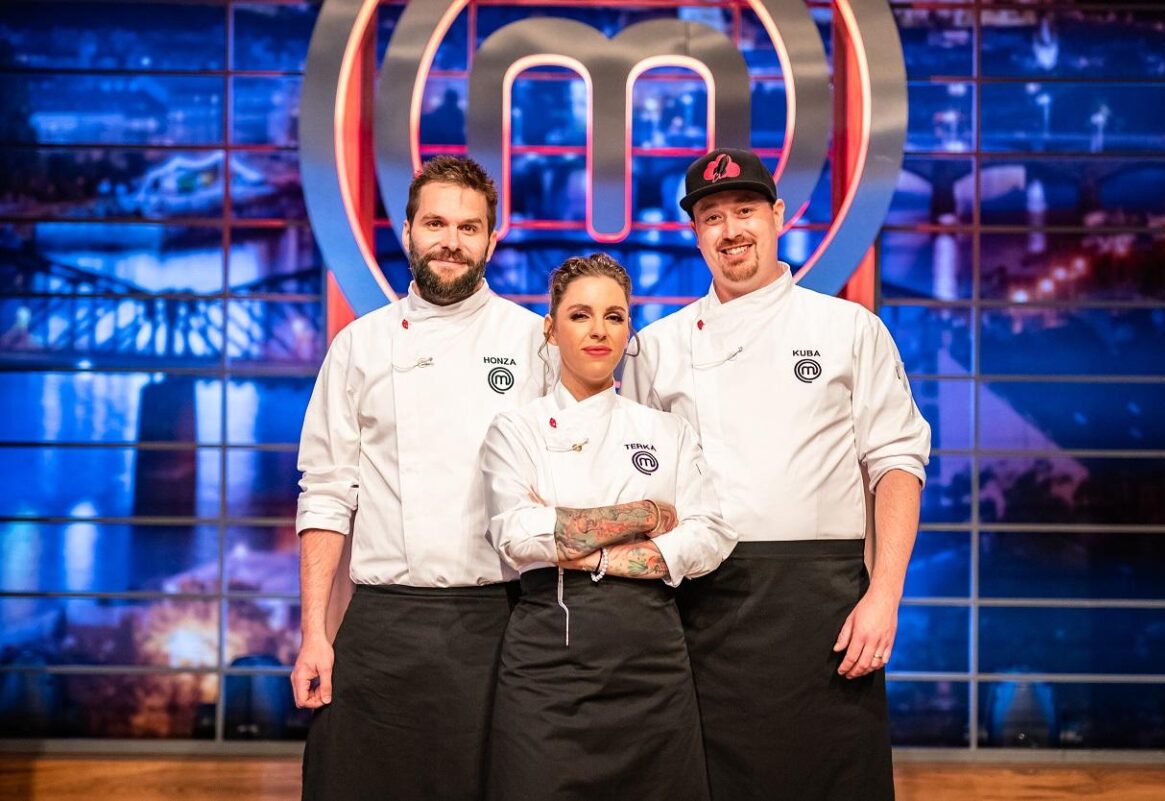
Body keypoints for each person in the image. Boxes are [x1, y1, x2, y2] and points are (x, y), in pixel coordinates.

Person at [621, 148, 932, 801]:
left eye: (745, 211)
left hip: (824, 604)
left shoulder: (849, 328)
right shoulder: (659, 347)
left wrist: (884, 597)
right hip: (702, 607)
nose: (730, 229)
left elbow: (897, 463)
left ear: (778, 216)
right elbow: (644, 487)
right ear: (695, 232)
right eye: (712, 217)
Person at [291, 156, 547, 801]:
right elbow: (326, 494)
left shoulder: (535, 343)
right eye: (435, 224)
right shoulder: (360, 345)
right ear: (407, 231)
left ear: (492, 239)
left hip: (502, 619)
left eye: (468, 227)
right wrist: (315, 634)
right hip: (382, 623)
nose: (450, 241)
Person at [481, 253, 737, 800]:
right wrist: (646, 515)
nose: (599, 330)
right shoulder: (516, 430)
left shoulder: (667, 431)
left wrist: (588, 550)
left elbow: (710, 534)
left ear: (628, 330)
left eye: (614, 316)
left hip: (652, 664)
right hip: (547, 662)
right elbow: (519, 534)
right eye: (580, 315)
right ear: (551, 330)